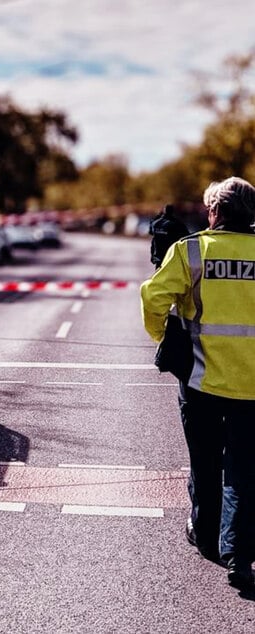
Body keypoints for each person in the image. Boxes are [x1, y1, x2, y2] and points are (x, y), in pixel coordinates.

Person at [141, 176, 255, 589]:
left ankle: (207, 538)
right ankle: (238, 554)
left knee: (205, 464)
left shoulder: (191, 250)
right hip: (252, 388)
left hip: (201, 382)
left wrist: (166, 338)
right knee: (244, 471)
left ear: (215, 212)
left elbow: (153, 297)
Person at [148, 204, 190, 269]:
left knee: (159, 273)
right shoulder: (177, 224)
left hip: (158, 256)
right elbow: (186, 237)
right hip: (171, 256)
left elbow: (151, 233)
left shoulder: (155, 223)